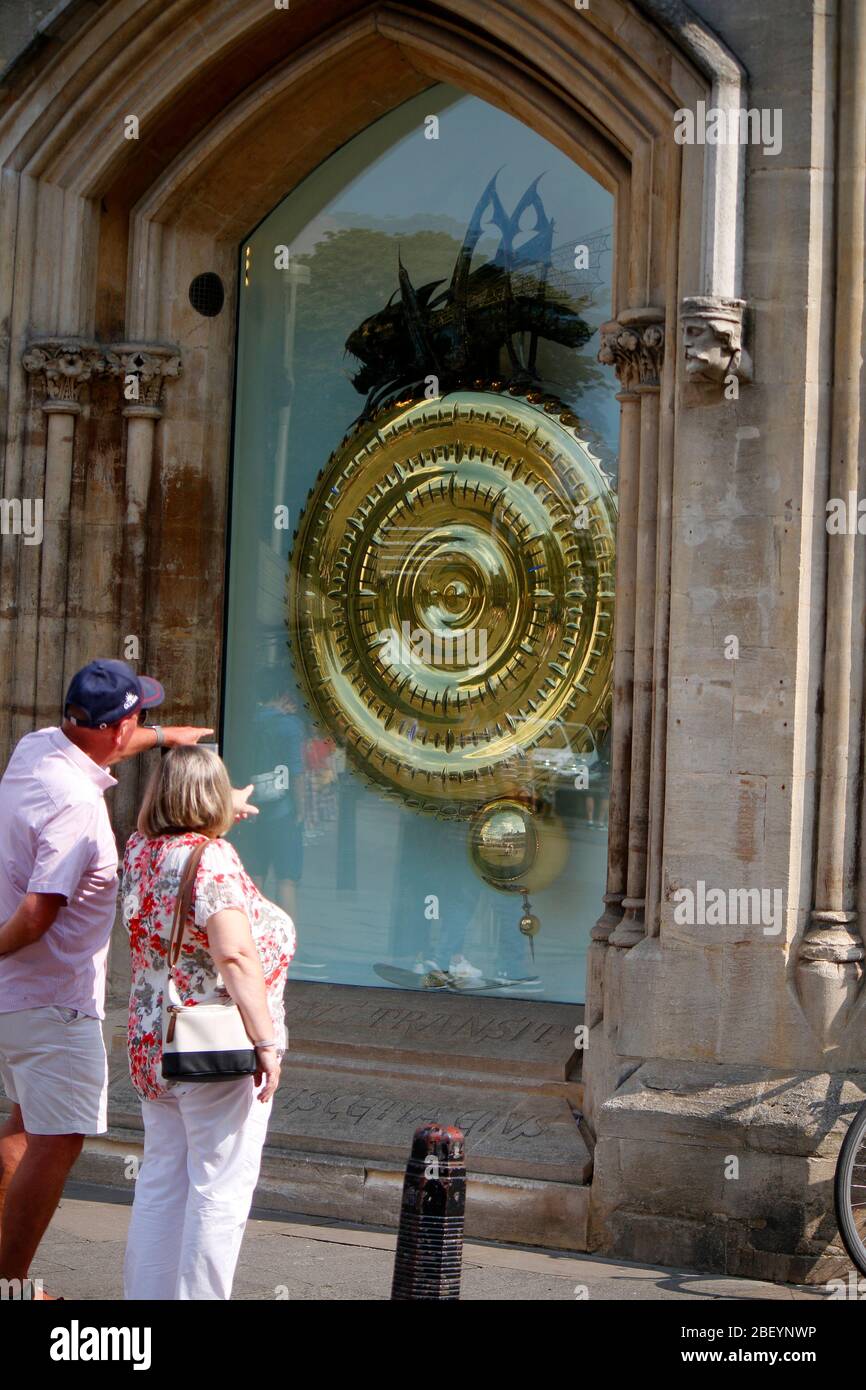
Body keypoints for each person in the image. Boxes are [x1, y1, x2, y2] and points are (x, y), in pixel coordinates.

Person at [0, 658, 231, 1298]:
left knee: (25, 1126)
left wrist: (167, 737)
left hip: (21, 999)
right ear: (116, 725)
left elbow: (112, 737)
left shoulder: (38, 747)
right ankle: (8, 1286)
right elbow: (38, 914)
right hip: (55, 1000)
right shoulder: (77, 808)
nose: (143, 729)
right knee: (57, 1140)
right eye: (139, 720)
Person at [121, 744, 295, 1301]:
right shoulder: (212, 859)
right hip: (211, 1045)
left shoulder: (142, 849)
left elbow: (186, 867)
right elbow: (236, 956)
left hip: (154, 1040)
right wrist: (266, 1040)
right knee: (219, 1190)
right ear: (209, 800)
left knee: (162, 1182)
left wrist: (225, 802)